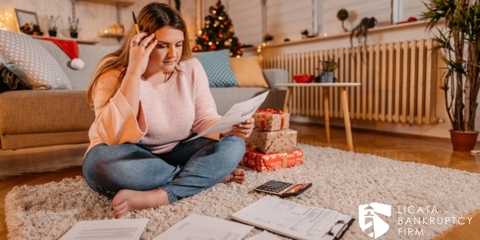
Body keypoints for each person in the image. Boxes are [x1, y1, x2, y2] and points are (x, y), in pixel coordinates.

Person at [82, 2, 254, 218]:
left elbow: (205, 119)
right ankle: (204, 175)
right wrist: (134, 72)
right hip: (133, 154)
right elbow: (110, 134)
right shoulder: (113, 70)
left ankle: (161, 195)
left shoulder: (191, 67)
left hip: (180, 148)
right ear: (141, 42)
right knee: (99, 166)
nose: (173, 54)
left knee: (234, 144)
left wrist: (229, 127)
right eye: (163, 45)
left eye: (179, 44)